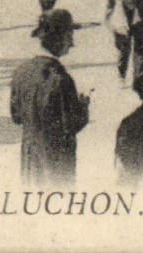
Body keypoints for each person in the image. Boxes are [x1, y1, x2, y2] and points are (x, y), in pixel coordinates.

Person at [9, 9, 89, 184]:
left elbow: (16, 117)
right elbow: (71, 124)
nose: (72, 44)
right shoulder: (60, 79)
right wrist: (83, 107)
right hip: (57, 159)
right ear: (60, 39)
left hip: (30, 155)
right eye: (70, 36)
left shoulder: (21, 72)